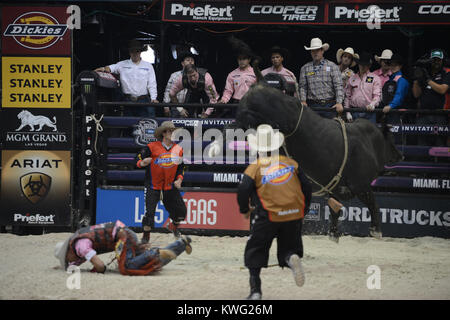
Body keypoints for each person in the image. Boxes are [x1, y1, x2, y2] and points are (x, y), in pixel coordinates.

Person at [237, 124, 312, 300]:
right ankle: (291, 258)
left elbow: (243, 190)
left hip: (268, 215)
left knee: (254, 251)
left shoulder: (255, 167)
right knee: (288, 248)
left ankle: (255, 291)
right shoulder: (291, 163)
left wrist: (245, 210)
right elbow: (307, 186)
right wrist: (304, 208)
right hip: (293, 213)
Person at [54, 220, 192, 275]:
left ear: (68, 252)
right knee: (144, 263)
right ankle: (182, 243)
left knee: (127, 266)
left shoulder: (80, 246)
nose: (70, 261)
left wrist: (97, 267)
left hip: (123, 236)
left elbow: (101, 266)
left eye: (66, 259)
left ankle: (156, 253)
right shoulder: (77, 244)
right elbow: (74, 263)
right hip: (124, 234)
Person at [136, 121, 187, 244]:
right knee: (150, 214)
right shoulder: (151, 147)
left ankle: (173, 226)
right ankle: (145, 237)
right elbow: (137, 159)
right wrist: (142, 163)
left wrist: (179, 179)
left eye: (174, 131)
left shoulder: (178, 149)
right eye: (170, 131)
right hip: (153, 186)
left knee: (181, 213)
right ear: (164, 133)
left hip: (169, 186)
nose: (172, 133)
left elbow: (181, 168)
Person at [95, 39, 159, 117]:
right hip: (127, 101)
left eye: (137, 51)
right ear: (129, 52)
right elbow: (110, 68)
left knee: (144, 124)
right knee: (127, 125)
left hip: (143, 100)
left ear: (140, 52)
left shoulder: (148, 66)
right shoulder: (122, 64)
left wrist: (153, 98)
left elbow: (152, 83)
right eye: (132, 51)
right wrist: (101, 69)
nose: (135, 53)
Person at [299, 38, 344, 119]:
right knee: (312, 129)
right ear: (311, 52)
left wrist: (339, 102)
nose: (315, 52)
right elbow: (303, 87)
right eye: (313, 50)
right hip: (312, 105)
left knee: (330, 130)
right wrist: (303, 101)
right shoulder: (305, 68)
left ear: (322, 51)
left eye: (317, 50)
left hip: (330, 105)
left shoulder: (332, 66)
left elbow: (338, 86)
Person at [412, 49, 450, 146]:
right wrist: (417, 79)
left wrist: (428, 80)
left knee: (439, 144)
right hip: (423, 114)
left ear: (442, 61)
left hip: (440, 114)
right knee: (422, 144)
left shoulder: (446, 73)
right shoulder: (424, 72)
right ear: (430, 60)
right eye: (434, 60)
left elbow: (442, 90)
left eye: (438, 60)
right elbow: (416, 94)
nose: (436, 62)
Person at [218, 43, 257, 117]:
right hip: (237, 104)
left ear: (249, 60)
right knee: (237, 126)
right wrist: (223, 100)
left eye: (244, 59)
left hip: (251, 103)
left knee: (251, 127)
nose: (241, 61)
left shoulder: (256, 73)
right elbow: (228, 91)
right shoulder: (232, 74)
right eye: (239, 59)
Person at [344, 52, 382, 123]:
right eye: (361, 64)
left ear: (369, 66)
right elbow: (347, 96)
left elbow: (377, 95)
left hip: (369, 112)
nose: (363, 66)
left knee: (370, 134)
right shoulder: (352, 78)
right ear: (358, 64)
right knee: (354, 134)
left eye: (365, 65)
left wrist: (372, 104)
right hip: (354, 111)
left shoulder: (375, 78)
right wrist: (347, 112)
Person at [163, 51, 196, 117]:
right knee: (175, 127)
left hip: (192, 107)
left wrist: (205, 108)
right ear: (182, 63)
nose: (190, 62)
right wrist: (166, 106)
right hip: (176, 106)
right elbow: (168, 91)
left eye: (192, 60)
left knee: (193, 126)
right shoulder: (174, 75)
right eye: (188, 60)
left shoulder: (198, 76)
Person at [381, 53, 410, 125]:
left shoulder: (402, 80)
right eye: (391, 64)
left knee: (396, 135)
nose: (393, 67)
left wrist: (390, 106)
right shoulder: (389, 81)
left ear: (400, 66)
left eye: (396, 65)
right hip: (388, 113)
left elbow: (399, 96)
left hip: (399, 114)